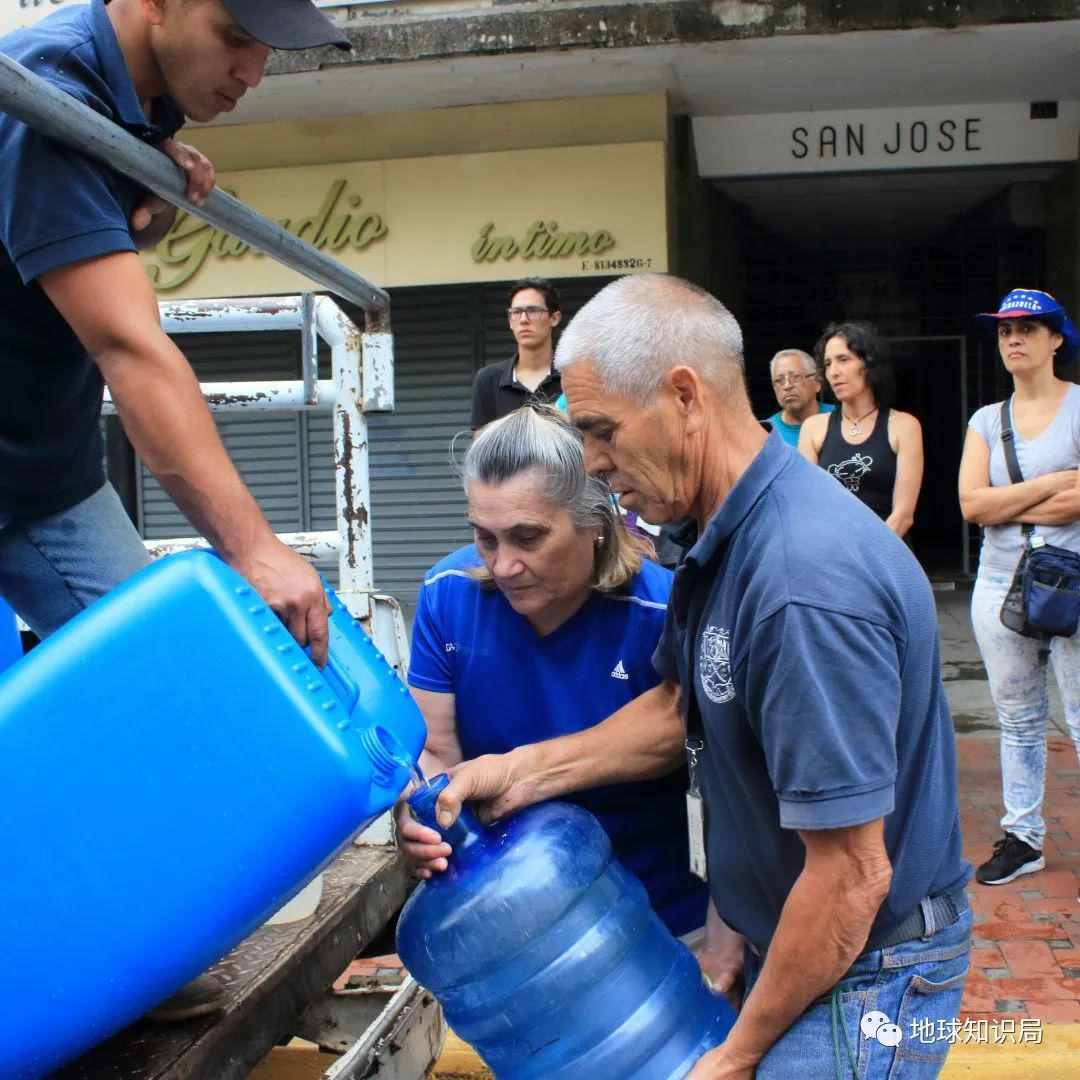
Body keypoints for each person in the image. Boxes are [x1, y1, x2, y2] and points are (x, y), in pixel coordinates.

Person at [430, 275, 971, 1079]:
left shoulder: (798, 586)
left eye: (602, 430)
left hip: (863, 974)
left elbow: (853, 875)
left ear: (684, 396)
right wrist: (520, 770)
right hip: (796, 944)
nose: (592, 463)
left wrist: (737, 1052)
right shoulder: (718, 535)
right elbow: (680, 706)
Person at [0, 0, 349, 1019]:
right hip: (36, 463)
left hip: (39, 474)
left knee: (165, 694)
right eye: (237, 37)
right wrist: (254, 548)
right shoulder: (43, 100)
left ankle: (121, 954)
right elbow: (131, 351)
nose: (251, 70)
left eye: (268, 49)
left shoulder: (123, 107)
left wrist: (143, 174)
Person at [395, 405, 709, 939]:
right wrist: (419, 810)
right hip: (510, 929)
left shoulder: (662, 613)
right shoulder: (448, 596)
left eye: (529, 537)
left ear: (595, 523)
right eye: (485, 537)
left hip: (657, 925)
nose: (503, 565)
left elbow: (685, 737)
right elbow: (434, 751)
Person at [959, 288, 1080, 888]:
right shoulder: (986, 420)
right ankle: (1024, 837)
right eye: (1005, 329)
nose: (1013, 338)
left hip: (1072, 585)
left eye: (1028, 329)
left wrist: (1011, 502)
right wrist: (1055, 485)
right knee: (1018, 718)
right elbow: (972, 504)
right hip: (998, 587)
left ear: (1056, 339)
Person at [798, 322, 924, 539]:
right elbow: (808, 505)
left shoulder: (903, 426)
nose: (833, 372)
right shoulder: (813, 427)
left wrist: (865, 559)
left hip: (887, 553)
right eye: (827, 364)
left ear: (868, 364)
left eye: (843, 360)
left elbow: (903, 516)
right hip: (830, 553)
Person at [471, 278, 563, 429]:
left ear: (554, 318)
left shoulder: (573, 376)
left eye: (533, 311)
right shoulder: (488, 380)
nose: (524, 319)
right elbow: (482, 446)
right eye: (517, 312)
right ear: (510, 321)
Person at [763, 348, 834, 447]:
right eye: (779, 381)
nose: (787, 386)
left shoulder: (840, 417)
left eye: (796, 377)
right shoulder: (765, 432)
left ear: (817, 382)